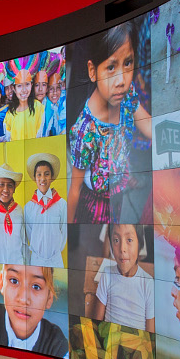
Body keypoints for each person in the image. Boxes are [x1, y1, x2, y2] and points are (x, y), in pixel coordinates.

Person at [67, 22, 153, 224]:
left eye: (128, 63)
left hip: (117, 192)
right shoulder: (85, 131)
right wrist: (69, 231)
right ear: (92, 71)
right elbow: (75, 189)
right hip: (95, 207)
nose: (121, 80)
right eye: (111, 67)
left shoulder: (127, 95)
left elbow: (148, 125)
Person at [0, 263, 68, 358]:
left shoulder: (57, 345)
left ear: (49, 298)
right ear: (2, 283)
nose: (23, 299)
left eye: (36, 287)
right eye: (14, 281)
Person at [91, 224, 154, 332]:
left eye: (129, 240)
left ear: (140, 245)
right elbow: (97, 324)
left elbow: (150, 334)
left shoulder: (147, 283)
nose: (122, 249)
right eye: (116, 240)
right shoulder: (107, 274)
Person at [23, 153, 67, 267]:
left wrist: (55, 252)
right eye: (39, 175)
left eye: (46, 174)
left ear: (51, 177)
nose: (43, 179)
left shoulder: (61, 204)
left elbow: (64, 231)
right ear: (35, 178)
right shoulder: (29, 207)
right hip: (36, 259)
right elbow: (30, 234)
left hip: (56, 260)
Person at [0, 163, 24, 265]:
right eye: (1, 184)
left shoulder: (19, 211)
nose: (6, 190)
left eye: (10, 185)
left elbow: (24, 243)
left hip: (18, 265)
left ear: (14, 189)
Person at [2, 54, 45, 141]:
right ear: (14, 89)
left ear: (31, 85)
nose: (24, 90)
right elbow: (8, 139)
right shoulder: (10, 115)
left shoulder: (39, 108)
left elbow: (41, 136)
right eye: (19, 86)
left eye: (27, 84)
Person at [38, 55, 66, 137]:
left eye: (58, 88)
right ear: (47, 90)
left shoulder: (63, 102)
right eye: (51, 89)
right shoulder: (45, 106)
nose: (55, 92)